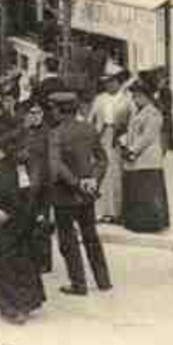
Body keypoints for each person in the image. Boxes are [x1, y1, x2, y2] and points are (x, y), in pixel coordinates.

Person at [0, 123, 49, 324]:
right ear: (10, 151)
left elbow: (45, 193)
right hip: (3, 225)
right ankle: (9, 306)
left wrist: (42, 214)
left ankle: (25, 304)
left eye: (26, 148)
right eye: (21, 149)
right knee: (2, 267)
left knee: (25, 265)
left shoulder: (36, 166)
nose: (25, 152)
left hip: (27, 224)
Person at [50, 89, 112, 295]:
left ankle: (79, 284)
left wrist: (75, 183)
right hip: (88, 193)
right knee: (91, 236)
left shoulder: (56, 133)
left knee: (68, 240)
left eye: (54, 110)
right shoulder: (89, 129)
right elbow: (102, 159)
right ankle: (103, 281)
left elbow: (56, 165)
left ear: (59, 111)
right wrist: (93, 180)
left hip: (64, 193)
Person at [121, 81, 169, 233]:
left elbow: (147, 136)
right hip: (136, 157)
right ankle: (137, 222)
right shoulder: (137, 112)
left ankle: (151, 224)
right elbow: (132, 132)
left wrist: (132, 150)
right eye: (134, 96)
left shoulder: (153, 113)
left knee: (147, 192)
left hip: (147, 158)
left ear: (147, 97)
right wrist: (125, 142)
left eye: (138, 96)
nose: (135, 99)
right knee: (137, 191)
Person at [88, 63, 131, 224]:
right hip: (101, 136)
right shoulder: (100, 99)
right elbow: (91, 119)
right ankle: (101, 211)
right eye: (106, 82)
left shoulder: (127, 99)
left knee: (116, 174)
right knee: (101, 173)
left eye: (111, 81)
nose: (108, 85)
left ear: (118, 82)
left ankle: (116, 212)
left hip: (118, 138)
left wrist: (125, 137)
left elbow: (131, 120)